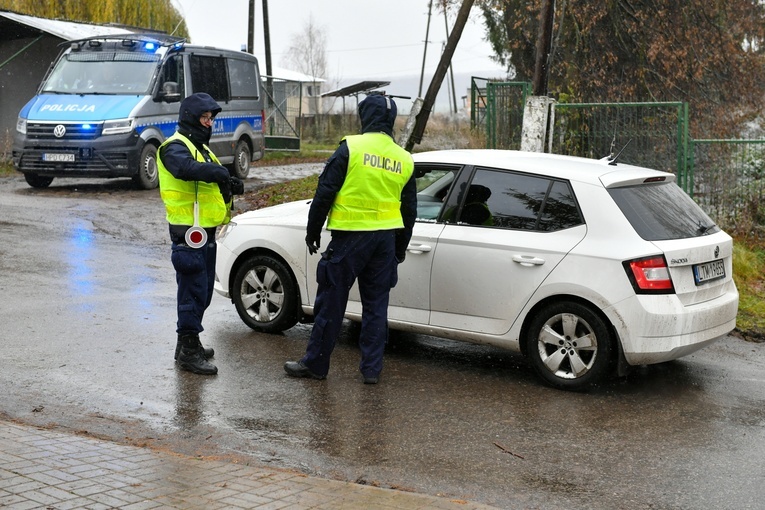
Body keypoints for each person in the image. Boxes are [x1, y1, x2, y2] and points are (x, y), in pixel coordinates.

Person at [284, 93, 417, 384]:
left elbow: (324, 192)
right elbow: (410, 211)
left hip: (350, 240)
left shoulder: (351, 148)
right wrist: (400, 248)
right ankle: (371, 370)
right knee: (376, 308)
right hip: (385, 242)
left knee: (331, 302)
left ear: (364, 117)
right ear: (391, 121)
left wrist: (312, 231)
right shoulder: (403, 158)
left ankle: (316, 365)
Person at [157, 92, 244, 375]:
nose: (208, 123)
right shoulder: (174, 147)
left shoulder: (203, 150)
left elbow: (211, 175)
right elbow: (185, 169)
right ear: (191, 119)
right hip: (188, 232)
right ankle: (189, 350)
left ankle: (186, 344)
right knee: (193, 292)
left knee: (203, 292)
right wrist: (218, 175)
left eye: (210, 119)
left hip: (205, 231)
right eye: (204, 118)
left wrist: (229, 183)